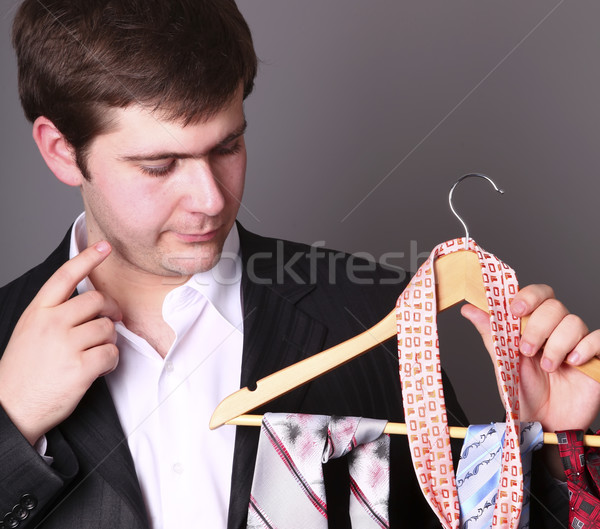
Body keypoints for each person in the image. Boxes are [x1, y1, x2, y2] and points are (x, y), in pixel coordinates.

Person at [0, 1, 598, 527]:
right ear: (61, 150)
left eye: (227, 146)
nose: (211, 199)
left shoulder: (379, 318)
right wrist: (11, 427)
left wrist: (555, 448)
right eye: (159, 166)